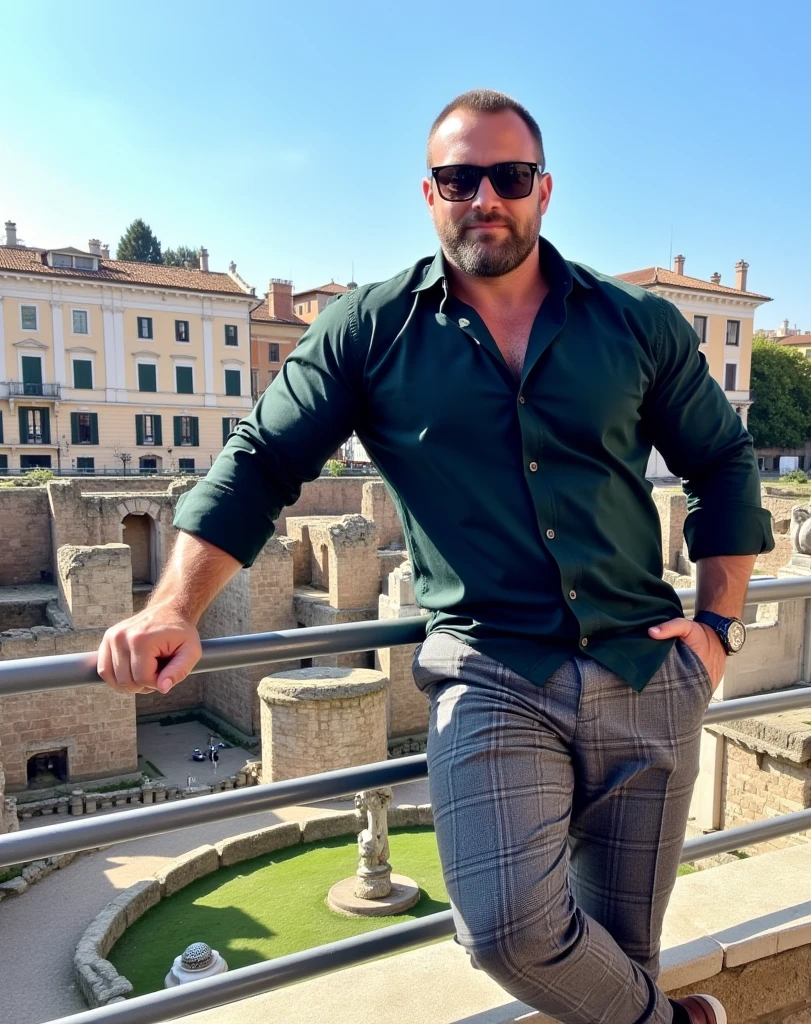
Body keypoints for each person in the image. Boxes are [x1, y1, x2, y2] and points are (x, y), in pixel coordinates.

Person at [96, 89, 773, 1024]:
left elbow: (722, 459)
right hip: (494, 671)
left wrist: (720, 624)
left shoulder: (636, 324)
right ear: (430, 194)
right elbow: (260, 461)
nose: (484, 197)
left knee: (622, 957)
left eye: (509, 176)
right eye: (461, 178)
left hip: (645, 664)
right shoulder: (371, 330)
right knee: (506, 932)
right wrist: (175, 604)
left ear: (545, 191)